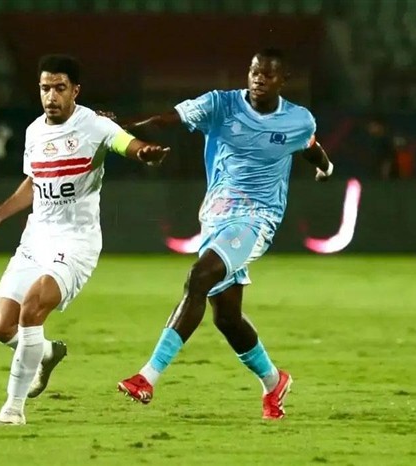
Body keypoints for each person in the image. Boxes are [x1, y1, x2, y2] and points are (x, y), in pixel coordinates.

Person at [114, 48, 334, 420]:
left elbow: (310, 147)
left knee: (199, 277)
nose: (258, 79)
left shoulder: (298, 120)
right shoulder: (220, 105)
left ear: (283, 80)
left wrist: (326, 168)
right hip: (216, 219)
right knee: (227, 318)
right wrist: (119, 126)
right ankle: (274, 381)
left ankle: (147, 377)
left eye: (267, 74)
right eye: (254, 71)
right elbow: (167, 119)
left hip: (257, 220)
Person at [0, 54, 169, 426]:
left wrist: (145, 152)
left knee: (32, 308)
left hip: (75, 243)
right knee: (2, 328)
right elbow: (34, 182)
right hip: (36, 239)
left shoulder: (95, 125)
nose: (51, 96)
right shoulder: (33, 132)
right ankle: (45, 353)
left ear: (75, 90)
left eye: (59, 88)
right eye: (45, 88)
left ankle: (13, 409)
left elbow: (127, 143)